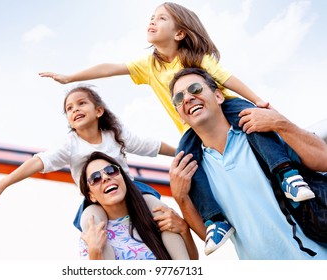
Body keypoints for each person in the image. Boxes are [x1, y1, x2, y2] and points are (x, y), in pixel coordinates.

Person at [38, 2, 314, 255]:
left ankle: (286, 173)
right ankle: (215, 220)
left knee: (254, 123)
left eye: (161, 18)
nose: (152, 21)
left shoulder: (197, 58)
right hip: (193, 127)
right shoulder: (149, 66)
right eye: (151, 17)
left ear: (180, 33)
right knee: (187, 164)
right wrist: (71, 76)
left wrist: (257, 101)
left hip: (224, 108)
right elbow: (112, 68)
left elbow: (228, 79)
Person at [0, 84, 192, 260]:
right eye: (69, 108)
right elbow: (38, 162)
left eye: (81, 103)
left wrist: (182, 151)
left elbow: (150, 145)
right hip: (95, 201)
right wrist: (4, 183)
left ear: (99, 110)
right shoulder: (70, 144)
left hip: (133, 190)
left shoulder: (114, 134)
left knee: (163, 213)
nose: (75, 109)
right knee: (94, 230)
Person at [168, 67, 327, 259]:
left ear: (218, 96)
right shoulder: (192, 172)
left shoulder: (263, 131)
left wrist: (281, 123)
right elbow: (206, 235)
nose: (187, 98)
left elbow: (323, 160)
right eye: (178, 98)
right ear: (180, 116)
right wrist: (180, 197)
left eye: (195, 89)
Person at [79, 151, 198, 260]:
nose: (105, 178)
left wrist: (184, 230)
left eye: (111, 170)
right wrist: (94, 251)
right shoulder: (90, 236)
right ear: (91, 196)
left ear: (123, 177)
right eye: (95, 178)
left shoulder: (156, 214)